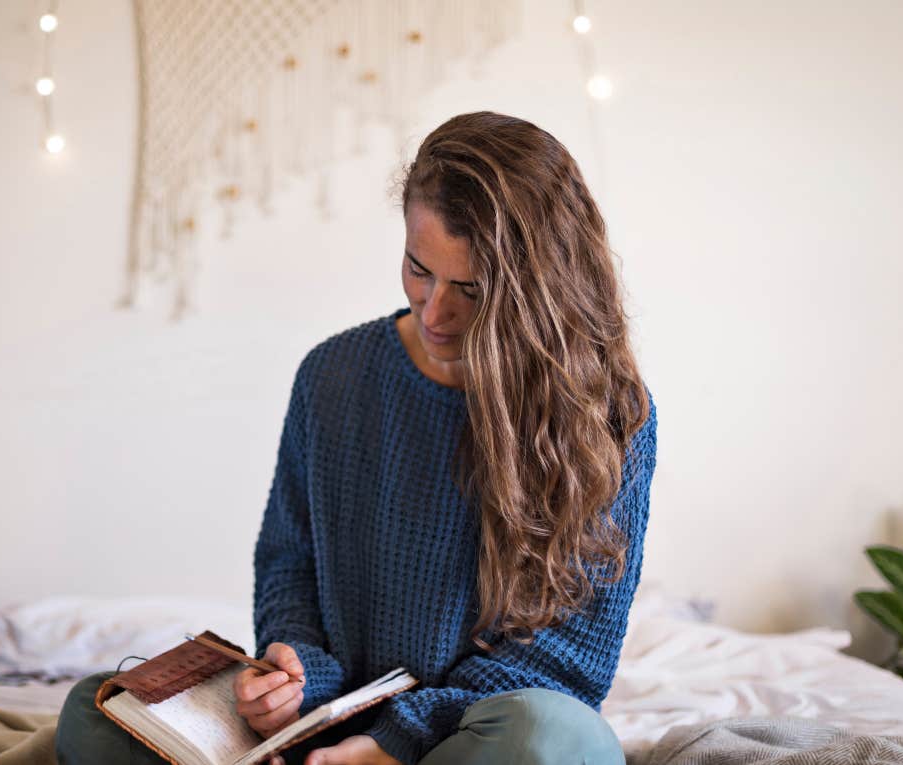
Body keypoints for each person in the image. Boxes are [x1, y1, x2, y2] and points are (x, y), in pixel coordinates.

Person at [56, 110, 657, 765]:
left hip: (464, 739)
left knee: (557, 738)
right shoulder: (332, 375)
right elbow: (289, 562)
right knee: (99, 708)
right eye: (418, 268)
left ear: (539, 288)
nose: (435, 312)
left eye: (472, 290)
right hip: (327, 732)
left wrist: (394, 744)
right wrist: (293, 669)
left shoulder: (605, 414)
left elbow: (566, 664)